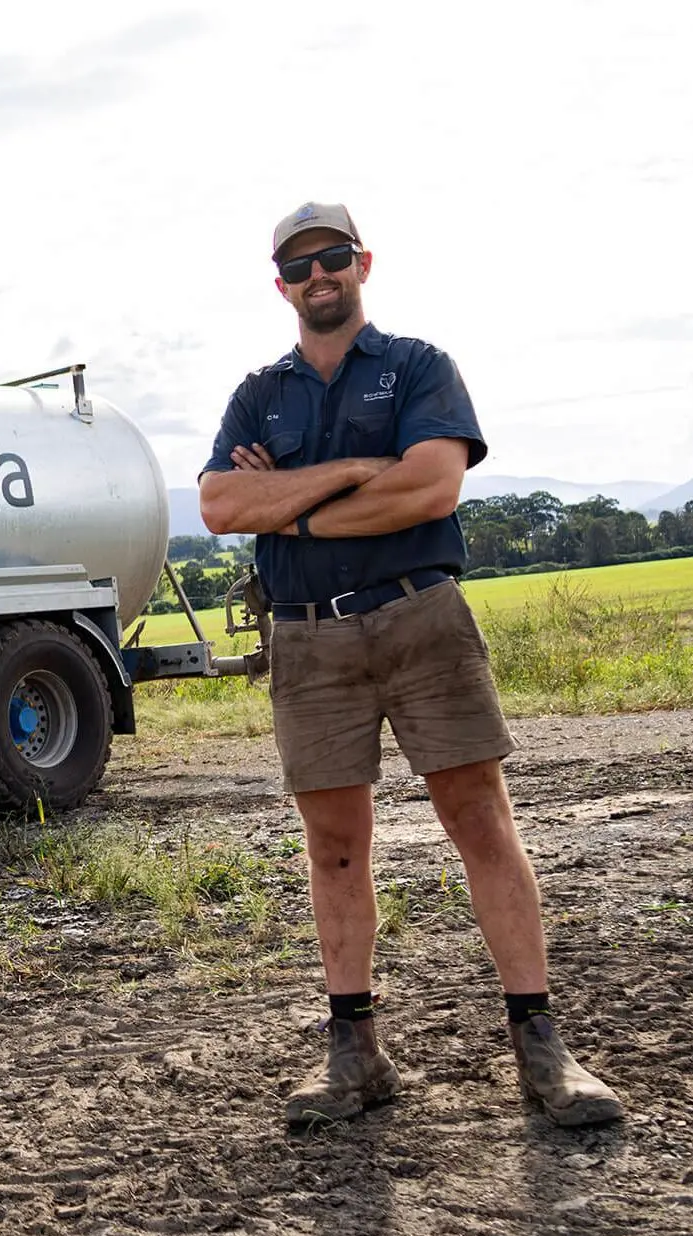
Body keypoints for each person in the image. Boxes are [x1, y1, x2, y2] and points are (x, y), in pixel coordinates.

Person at [198, 200, 623, 1128]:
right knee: (333, 846)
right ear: (280, 285)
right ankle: (354, 1055)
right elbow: (222, 507)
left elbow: (429, 486)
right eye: (299, 265)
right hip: (307, 639)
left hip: (420, 620)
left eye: (332, 257)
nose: (317, 275)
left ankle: (542, 1049)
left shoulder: (420, 366)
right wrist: (356, 470)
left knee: (480, 823)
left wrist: (292, 508)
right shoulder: (257, 394)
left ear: (363, 263)